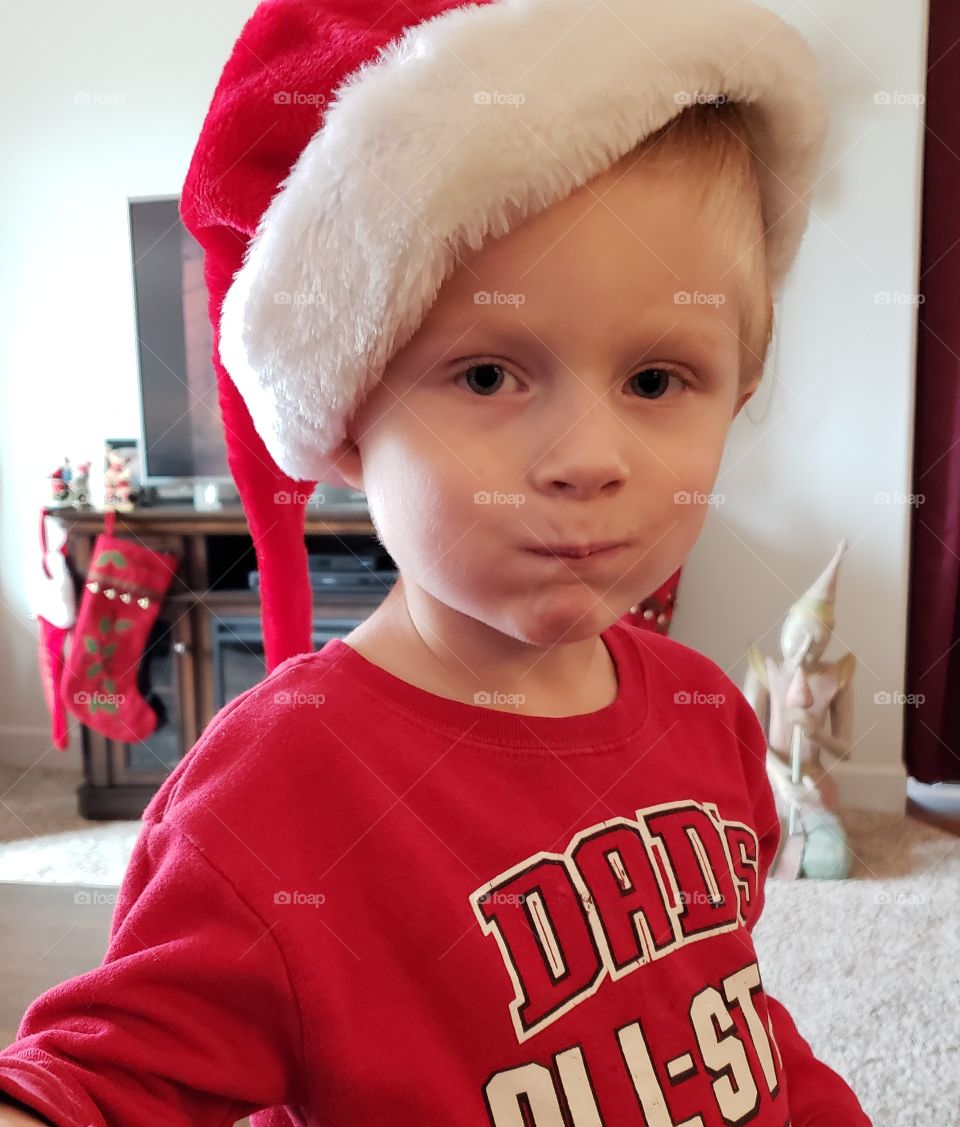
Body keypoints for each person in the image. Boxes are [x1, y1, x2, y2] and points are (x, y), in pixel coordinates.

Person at [0, 0, 874, 1123]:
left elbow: (718, 1010)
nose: (587, 459)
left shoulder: (711, 716)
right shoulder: (275, 795)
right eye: (488, 375)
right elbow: (104, 1079)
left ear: (737, 398)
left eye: (657, 380)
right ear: (351, 413)